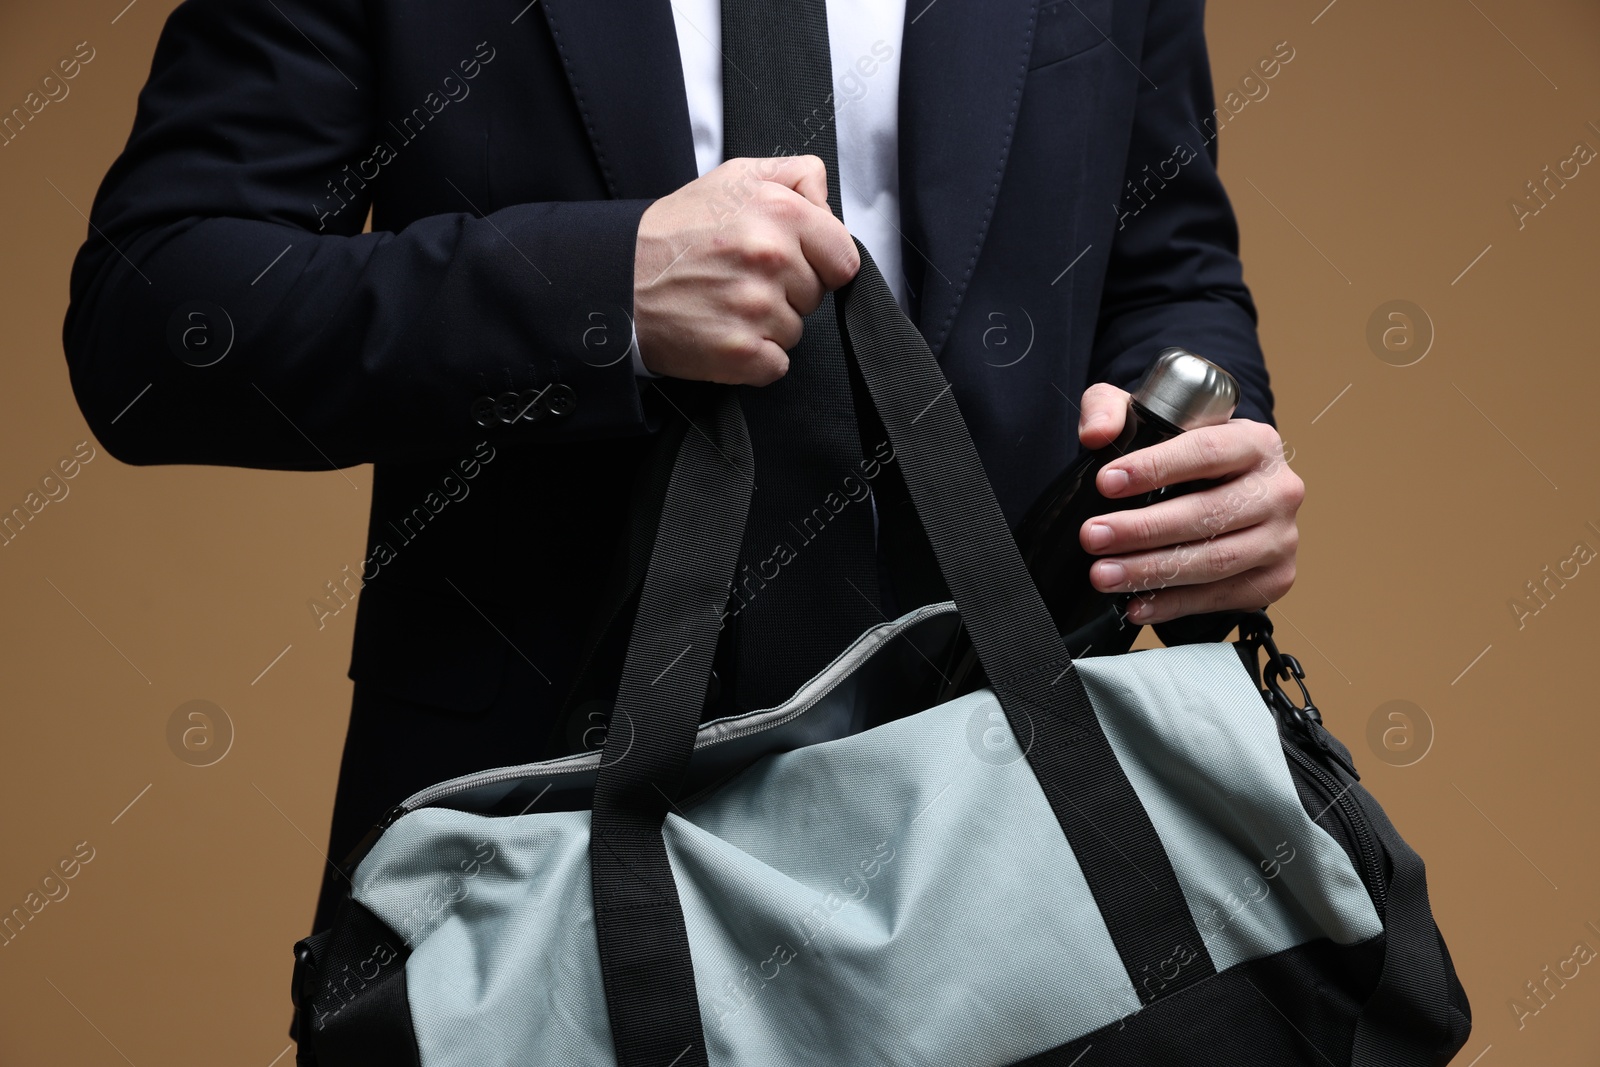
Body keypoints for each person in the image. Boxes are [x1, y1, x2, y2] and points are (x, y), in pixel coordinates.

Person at [63, 0, 1304, 943]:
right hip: (529, 856)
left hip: (1017, 847)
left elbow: (1166, 262)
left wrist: (1198, 455)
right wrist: (597, 289)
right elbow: (155, 312)